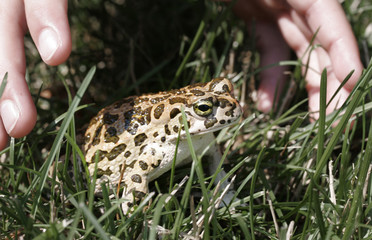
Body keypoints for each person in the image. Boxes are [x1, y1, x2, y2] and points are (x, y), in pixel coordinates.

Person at [0, 0, 363, 150]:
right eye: (206, 109)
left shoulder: (200, 140)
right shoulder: (162, 145)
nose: (229, 106)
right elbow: (137, 168)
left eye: (224, 93)